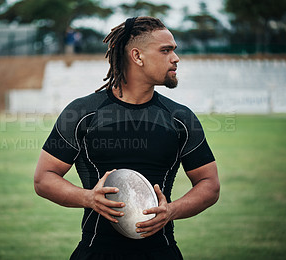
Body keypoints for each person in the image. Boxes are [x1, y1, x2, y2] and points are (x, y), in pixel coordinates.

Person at [34, 16, 220, 260]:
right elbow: (43, 179)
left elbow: (210, 184)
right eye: (166, 51)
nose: (175, 58)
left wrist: (171, 211)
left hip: (161, 253)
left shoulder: (180, 118)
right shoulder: (81, 114)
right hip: (95, 253)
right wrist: (88, 198)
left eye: (174, 51)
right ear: (137, 56)